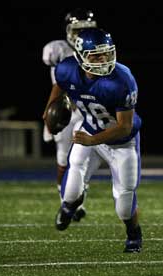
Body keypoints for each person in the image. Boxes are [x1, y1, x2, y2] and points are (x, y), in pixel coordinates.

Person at [43, 27, 143, 253]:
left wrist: (92, 140)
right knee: (69, 193)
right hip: (89, 129)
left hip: (122, 143)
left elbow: (124, 126)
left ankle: (133, 234)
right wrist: (49, 110)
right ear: (80, 56)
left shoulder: (121, 80)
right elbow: (60, 85)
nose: (103, 60)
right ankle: (70, 207)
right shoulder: (67, 69)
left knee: (125, 205)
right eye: (96, 55)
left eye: (106, 53)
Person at [42, 9, 98, 222]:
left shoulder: (99, 48)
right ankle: (64, 198)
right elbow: (58, 85)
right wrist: (49, 111)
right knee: (64, 159)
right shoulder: (58, 50)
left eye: (86, 29)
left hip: (89, 109)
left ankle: (77, 200)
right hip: (66, 110)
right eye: (78, 29)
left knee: (84, 158)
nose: (82, 33)